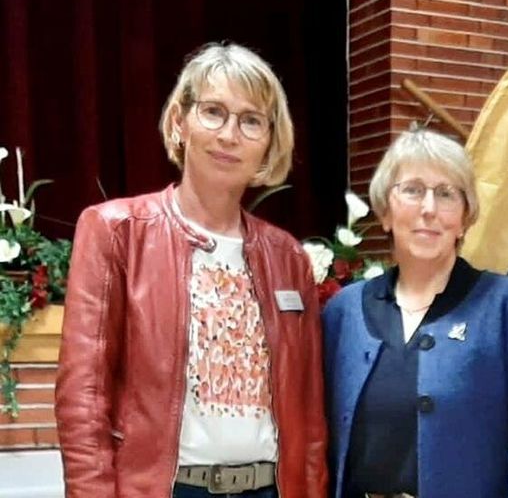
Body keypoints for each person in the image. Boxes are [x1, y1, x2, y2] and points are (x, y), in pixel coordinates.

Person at [55, 43, 327, 498]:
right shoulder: (116, 231)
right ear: (179, 122)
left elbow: (310, 415)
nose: (229, 135)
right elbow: (84, 401)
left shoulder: (288, 257)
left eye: (251, 120)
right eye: (213, 112)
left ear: (268, 142)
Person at [322, 128, 508, 498]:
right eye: (413, 190)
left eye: (446, 193)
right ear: (385, 211)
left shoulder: (506, 307)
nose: (429, 209)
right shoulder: (342, 313)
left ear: (465, 218)